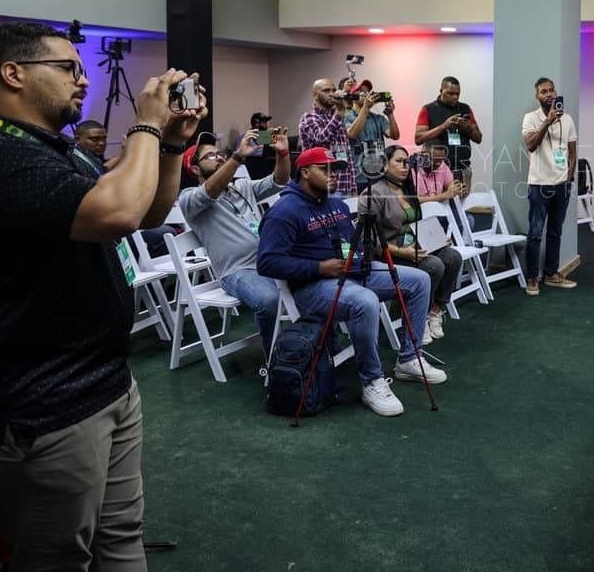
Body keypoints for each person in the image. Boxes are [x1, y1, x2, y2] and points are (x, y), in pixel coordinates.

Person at [0, 21, 205, 571]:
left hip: (104, 382)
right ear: (12, 74)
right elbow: (119, 212)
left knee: (120, 539)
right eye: (68, 68)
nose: (83, 81)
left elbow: (148, 213)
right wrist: (146, 125)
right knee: (58, 560)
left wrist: (174, 143)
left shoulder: (60, 152)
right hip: (43, 406)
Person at [256, 147, 445, 418]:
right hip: (313, 286)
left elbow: (348, 242)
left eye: (336, 169)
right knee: (365, 302)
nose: (333, 175)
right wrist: (319, 267)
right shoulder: (283, 212)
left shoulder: (337, 205)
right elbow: (267, 263)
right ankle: (372, 381)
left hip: (354, 272)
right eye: (326, 169)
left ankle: (408, 359)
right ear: (305, 172)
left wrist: (360, 258)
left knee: (420, 279)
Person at [177, 127, 291, 354]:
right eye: (210, 155)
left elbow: (279, 180)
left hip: (269, 261)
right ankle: (277, 359)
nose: (218, 156)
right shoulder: (189, 198)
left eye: (220, 153)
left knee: (316, 281)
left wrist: (283, 153)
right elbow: (210, 191)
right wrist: (238, 157)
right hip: (238, 272)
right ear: (194, 167)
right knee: (269, 300)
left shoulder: (241, 187)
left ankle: (318, 348)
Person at [361, 145, 465, 343]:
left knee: (453, 257)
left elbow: (417, 223)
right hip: (389, 252)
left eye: (407, 162)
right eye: (399, 161)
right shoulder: (373, 193)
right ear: (384, 165)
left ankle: (434, 311)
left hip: (413, 244)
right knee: (434, 265)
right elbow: (370, 239)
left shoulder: (407, 188)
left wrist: (436, 238)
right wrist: (403, 252)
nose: (405, 166)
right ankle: (417, 317)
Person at [521, 77, 579, 295]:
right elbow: (531, 145)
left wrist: (569, 178)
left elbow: (572, 153)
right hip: (539, 184)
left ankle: (551, 273)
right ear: (537, 96)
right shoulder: (531, 118)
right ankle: (532, 278)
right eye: (544, 91)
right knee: (535, 233)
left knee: (555, 231)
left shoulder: (568, 120)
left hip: (562, 185)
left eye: (552, 90)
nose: (549, 94)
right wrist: (547, 121)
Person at [414, 76, 483, 189]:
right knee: (439, 204)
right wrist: (443, 127)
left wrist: (468, 128)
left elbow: (479, 138)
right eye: (451, 93)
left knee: (462, 205)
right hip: (435, 170)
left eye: (457, 94)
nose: (455, 97)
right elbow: (418, 139)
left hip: (462, 168)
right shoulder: (428, 109)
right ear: (441, 91)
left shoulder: (465, 109)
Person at [297, 77, 358, 195]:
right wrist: (339, 114)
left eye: (333, 90)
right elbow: (321, 140)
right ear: (315, 94)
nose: (331, 94)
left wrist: (353, 187)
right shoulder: (309, 117)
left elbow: (347, 154)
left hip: (345, 185)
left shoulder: (336, 117)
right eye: (326, 90)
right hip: (323, 187)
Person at [344, 79, 400, 191]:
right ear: (353, 96)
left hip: (378, 175)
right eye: (362, 92)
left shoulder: (378, 118)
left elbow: (394, 136)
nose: (366, 95)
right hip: (357, 177)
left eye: (368, 92)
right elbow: (352, 134)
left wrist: (390, 114)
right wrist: (365, 108)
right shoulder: (347, 116)